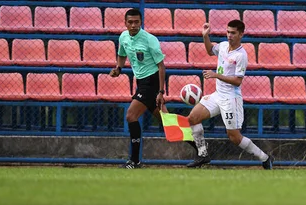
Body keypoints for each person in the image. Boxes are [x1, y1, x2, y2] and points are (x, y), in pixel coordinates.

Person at [110, 9, 198, 168]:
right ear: (125, 23)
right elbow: (122, 54)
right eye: (130, 22)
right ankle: (202, 150)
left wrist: (161, 91)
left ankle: (135, 161)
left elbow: (161, 66)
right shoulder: (123, 37)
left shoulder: (150, 40)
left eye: (137, 22)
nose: (133, 25)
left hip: (151, 82)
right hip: (141, 83)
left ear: (141, 22)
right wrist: (119, 68)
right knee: (167, 121)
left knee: (131, 116)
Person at [185, 19, 274, 169]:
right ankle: (202, 154)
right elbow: (209, 51)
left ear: (241, 34)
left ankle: (264, 158)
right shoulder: (224, 46)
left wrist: (216, 75)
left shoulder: (241, 56)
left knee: (234, 137)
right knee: (192, 118)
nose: (229, 35)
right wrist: (205, 36)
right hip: (218, 94)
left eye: (233, 33)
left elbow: (238, 81)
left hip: (231, 99)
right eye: (228, 32)